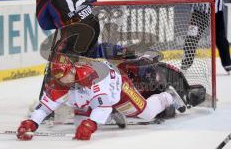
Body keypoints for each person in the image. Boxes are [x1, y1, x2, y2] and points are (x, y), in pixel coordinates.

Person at [16, 54, 186, 141]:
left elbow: (103, 104)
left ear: (72, 70)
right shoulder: (61, 81)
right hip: (96, 96)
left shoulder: (91, 77)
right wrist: (32, 123)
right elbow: (45, 107)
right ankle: (112, 115)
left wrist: (92, 124)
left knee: (147, 113)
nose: (60, 80)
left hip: (118, 88)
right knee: (79, 117)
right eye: (57, 76)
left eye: (63, 75)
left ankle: (168, 96)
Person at [36, 0, 100, 99]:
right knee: (87, 61)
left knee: (58, 65)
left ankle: (53, 105)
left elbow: (44, 24)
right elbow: (92, 3)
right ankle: (94, 97)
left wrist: (61, 20)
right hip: (94, 25)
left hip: (73, 30)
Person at [181, 0, 231, 73]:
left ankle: (228, 65)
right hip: (199, 14)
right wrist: (191, 16)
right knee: (191, 38)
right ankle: (185, 65)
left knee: (221, 40)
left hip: (216, 14)